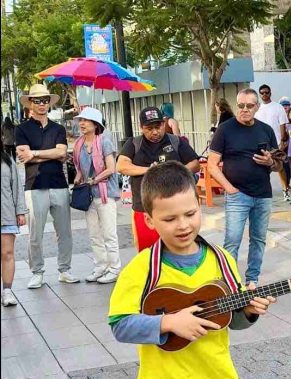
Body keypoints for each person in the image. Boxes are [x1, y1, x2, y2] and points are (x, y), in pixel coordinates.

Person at [108, 161, 276, 379]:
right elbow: (120, 325)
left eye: (190, 214)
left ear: (199, 205)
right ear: (149, 220)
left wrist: (247, 311)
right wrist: (169, 322)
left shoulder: (223, 260)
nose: (183, 225)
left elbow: (228, 320)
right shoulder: (141, 268)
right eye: (170, 219)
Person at [207, 88, 281, 289]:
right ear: (236, 105)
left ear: (257, 107)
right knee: (232, 241)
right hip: (237, 195)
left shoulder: (265, 130)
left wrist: (270, 162)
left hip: (263, 194)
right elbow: (212, 164)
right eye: (241, 106)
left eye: (249, 106)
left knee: (258, 240)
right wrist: (229, 189)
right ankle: (230, 283)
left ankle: (252, 281)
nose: (245, 110)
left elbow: (279, 165)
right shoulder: (225, 129)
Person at [15, 84, 79, 288]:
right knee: (35, 233)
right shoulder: (21, 129)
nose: (42, 104)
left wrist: (35, 153)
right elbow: (24, 156)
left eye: (45, 100)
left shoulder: (58, 128)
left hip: (59, 184)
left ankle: (65, 269)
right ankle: (37, 271)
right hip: (34, 185)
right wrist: (45, 154)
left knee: (65, 231)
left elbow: (62, 153)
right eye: (37, 101)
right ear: (30, 104)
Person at [117, 107, 200, 251]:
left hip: (175, 208)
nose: (155, 132)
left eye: (158, 127)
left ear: (164, 123)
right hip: (143, 208)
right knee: (147, 252)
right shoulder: (134, 143)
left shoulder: (176, 141)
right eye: (149, 128)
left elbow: (195, 164)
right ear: (141, 127)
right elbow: (122, 166)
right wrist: (150, 171)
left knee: (178, 250)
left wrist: (173, 171)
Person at [72, 107, 121, 284]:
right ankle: (101, 265)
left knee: (109, 233)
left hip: (105, 193)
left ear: (96, 124)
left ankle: (114, 268)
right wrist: (78, 178)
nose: (82, 123)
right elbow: (79, 168)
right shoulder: (78, 144)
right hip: (88, 195)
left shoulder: (105, 142)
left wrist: (94, 180)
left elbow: (111, 168)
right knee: (94, 234)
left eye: (86, 120)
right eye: (81, 120)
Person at [1, 138, 27, 305]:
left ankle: (7, 291)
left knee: (7, 253)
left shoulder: (6, 160)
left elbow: (16, 186)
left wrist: (20, 211)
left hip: (6, 213)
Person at [255, 84, 290, 200]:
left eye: (266, 92)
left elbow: (282, 125)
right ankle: (263, 192)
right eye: (262, 93)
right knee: (263, 168)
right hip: (261, 144)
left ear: (270, 93)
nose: (264, 94)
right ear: (259, 94)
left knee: (280, 168)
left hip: (276, 143)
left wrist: (281, 141)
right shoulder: (257, 109)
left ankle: (286, 190)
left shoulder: (278, 107)